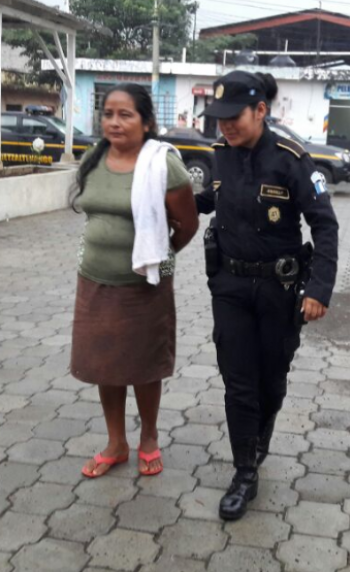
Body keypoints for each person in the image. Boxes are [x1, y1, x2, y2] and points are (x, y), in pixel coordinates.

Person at [195, 71, 339, 521]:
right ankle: (244, 472)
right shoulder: (219, 155)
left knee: (270, 380)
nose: (225, 127)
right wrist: (178, 200)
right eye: (218, 119)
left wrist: (319, 288)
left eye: (233, 117)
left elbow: (325, 225)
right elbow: (214, 200)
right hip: (231, 286)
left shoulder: (292, 160)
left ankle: (261, 435)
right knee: (238, 381)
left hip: (280, 289)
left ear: (260, 111)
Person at [70, 83, 198, 478]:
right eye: (108, 113)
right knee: (104, 365)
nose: (114, 122)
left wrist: (156, 256)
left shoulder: (162, 164)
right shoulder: (94, 157)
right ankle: (116, 443)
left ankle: (149, 438)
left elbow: (188, 223)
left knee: (143, 365)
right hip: (94, 280)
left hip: (145, 286)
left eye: (125, 114)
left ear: (145, 122)